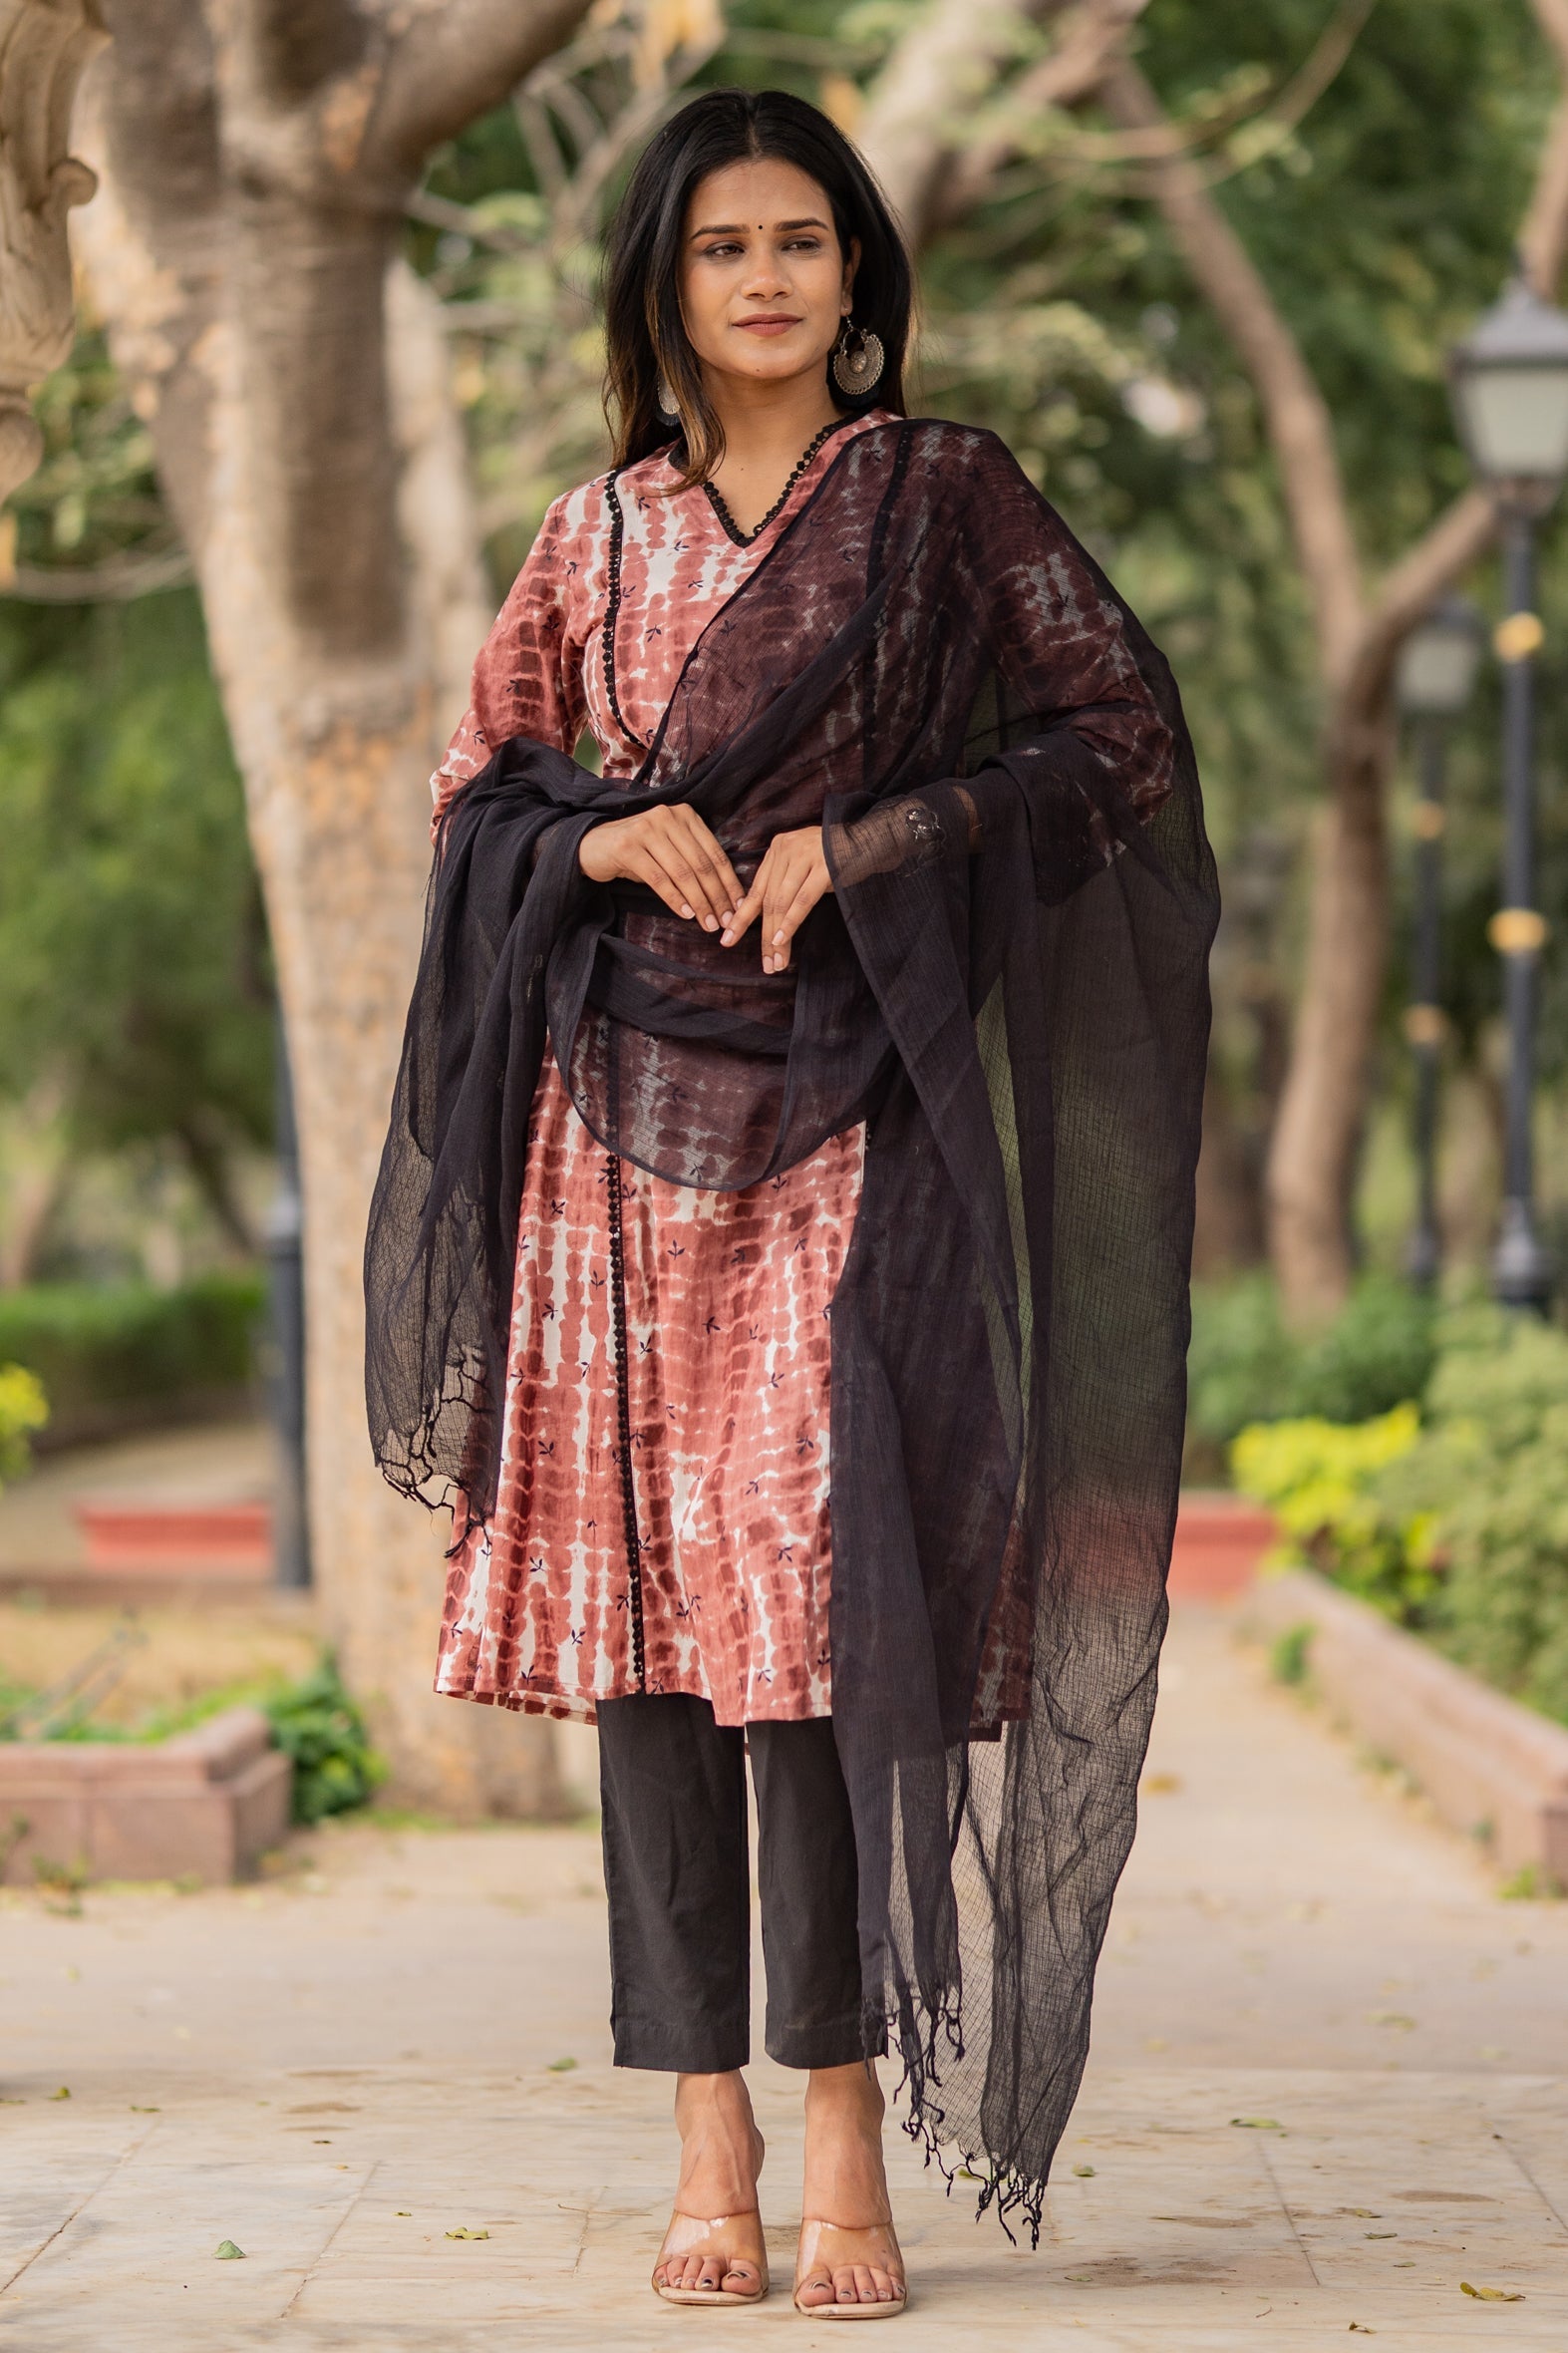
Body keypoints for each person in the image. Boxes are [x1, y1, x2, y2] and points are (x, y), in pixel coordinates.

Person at [365, 85, 1216, 2319]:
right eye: (722, 245)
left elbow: (1113, 735)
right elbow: (481, 787)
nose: (763, 278)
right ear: (659, 284)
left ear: (855, 279)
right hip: (609, 1153)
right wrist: (588, 841)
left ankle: (842, 2115)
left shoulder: (939, 501)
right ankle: (702, 2128)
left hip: (854, 1125)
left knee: (821, 1640)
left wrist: (871, 844)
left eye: (801, 243)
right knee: (662, 1640)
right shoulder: (595, 533)